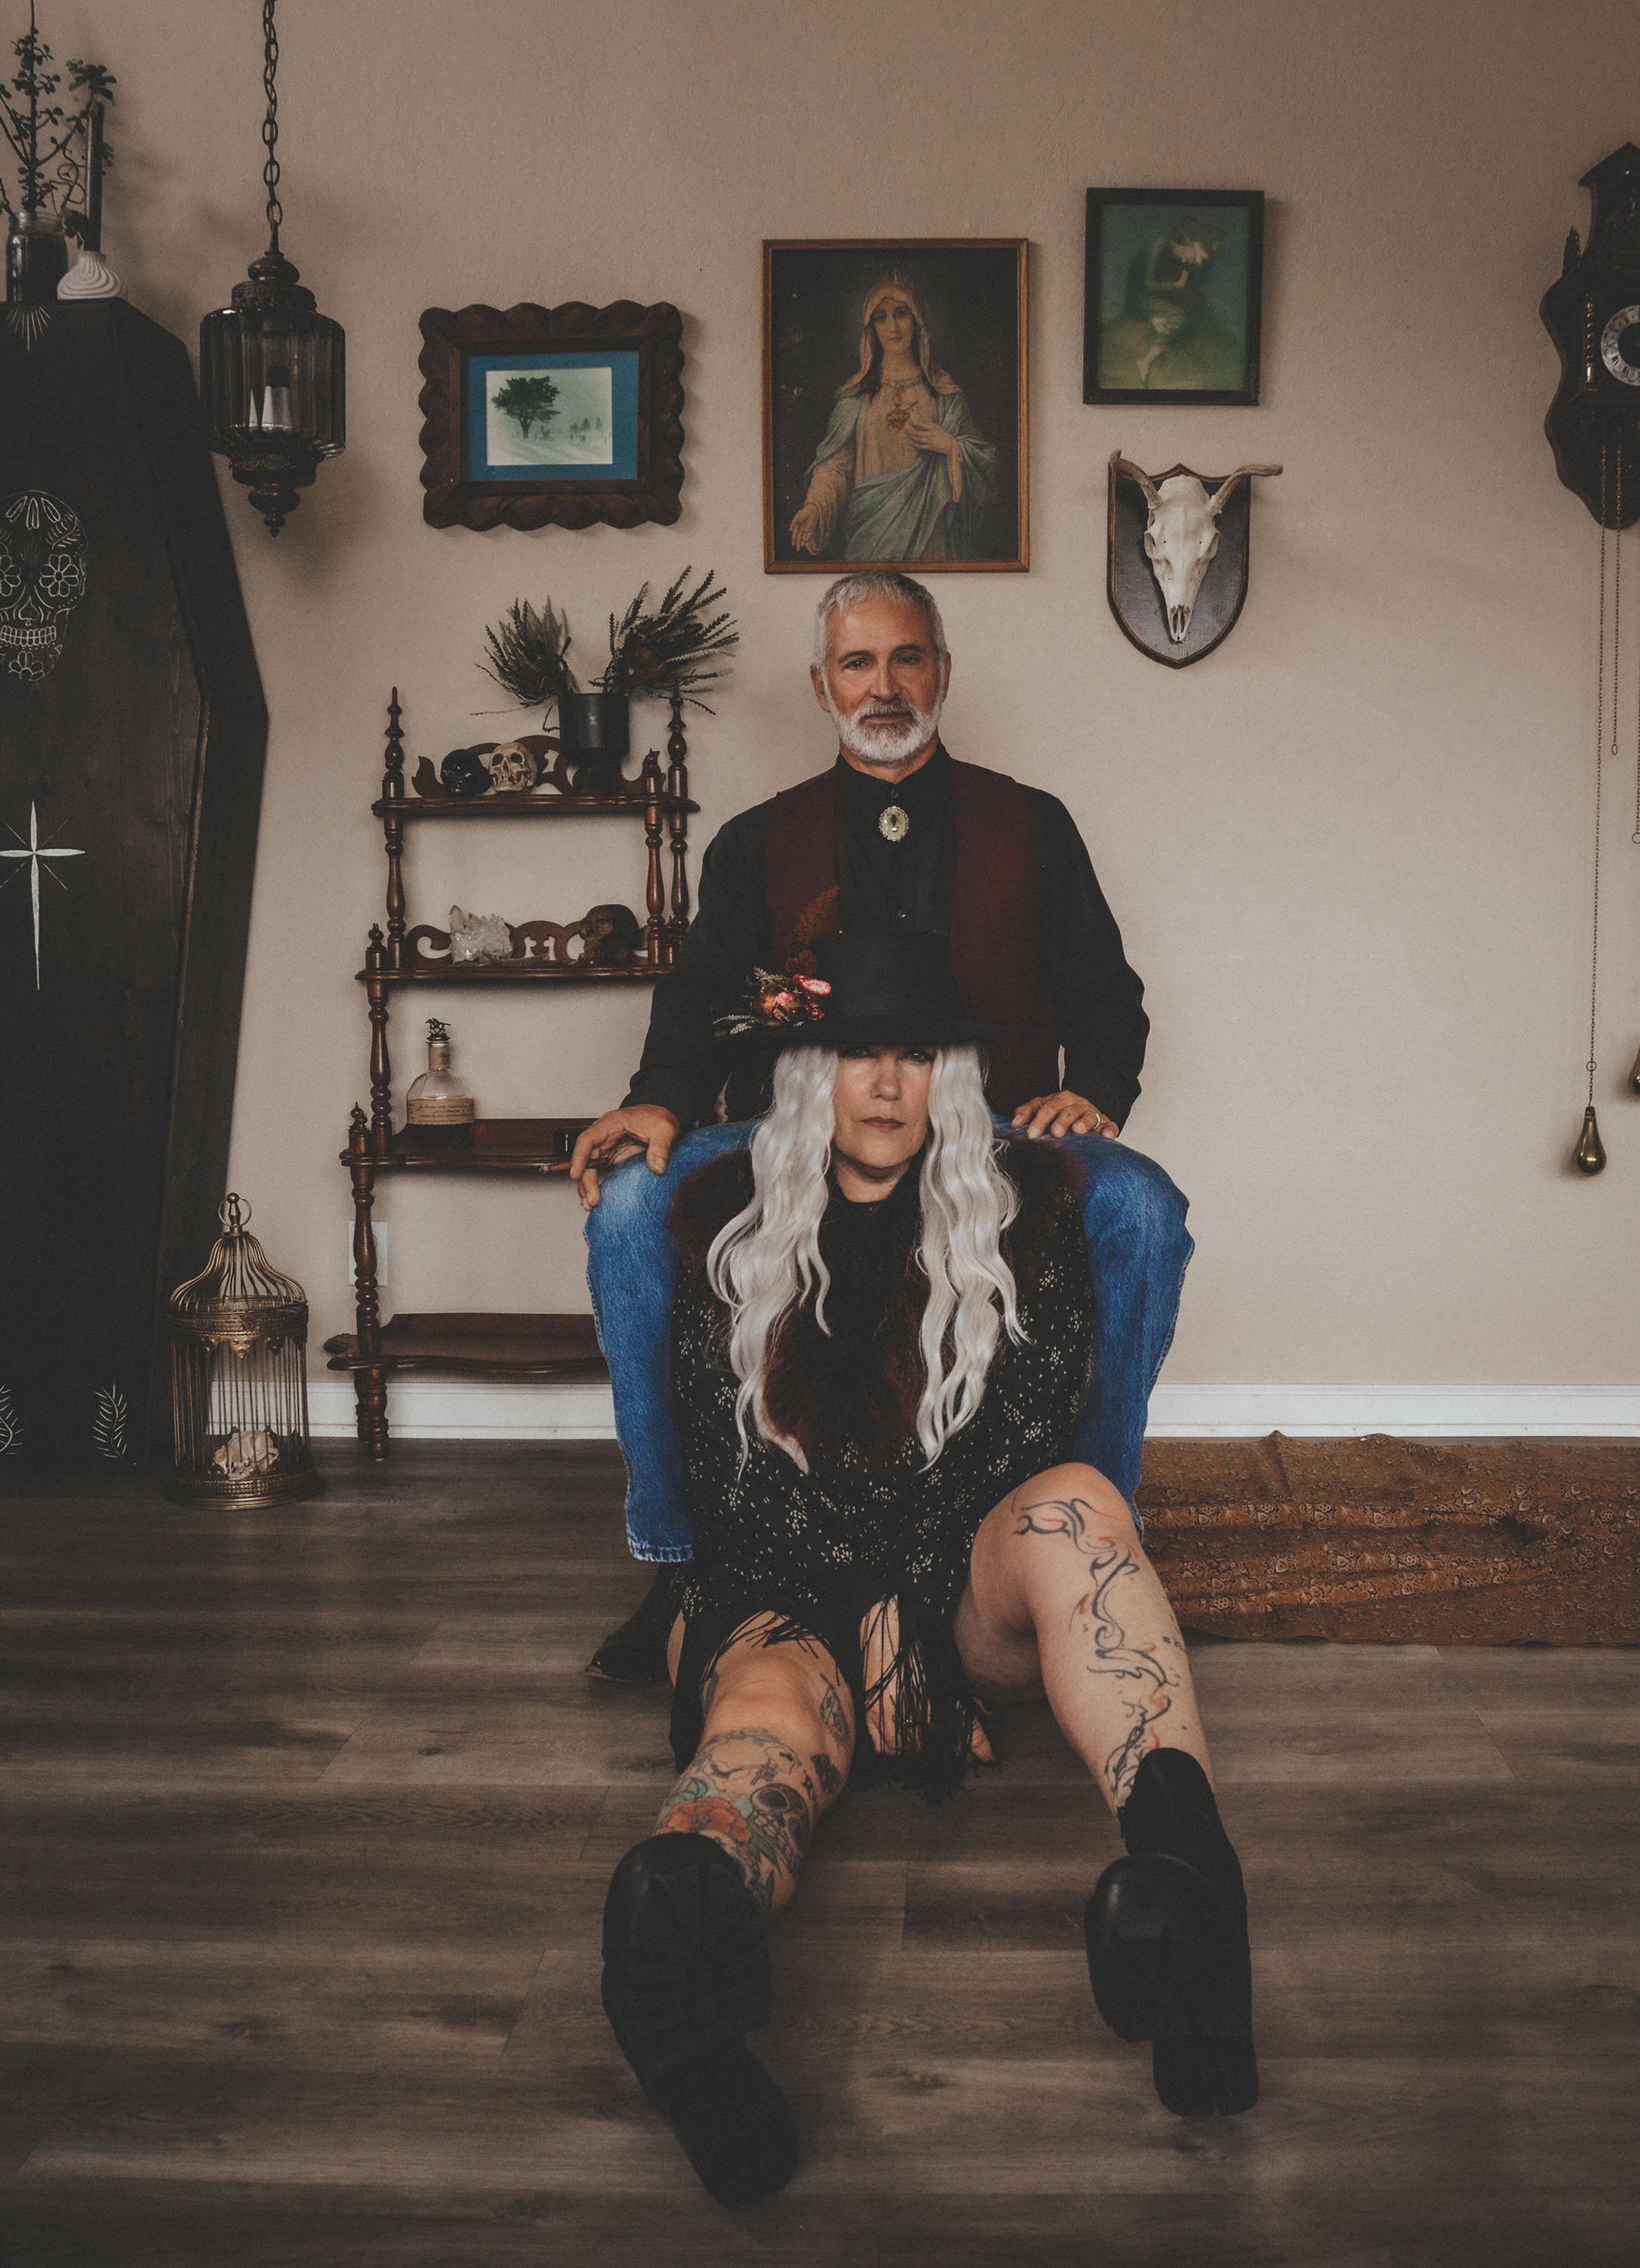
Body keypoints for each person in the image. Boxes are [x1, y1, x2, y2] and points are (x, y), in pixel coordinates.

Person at [598, 935, 1257, 2208]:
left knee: (1075, 1505)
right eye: (857, 1053)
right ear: (810, 1074)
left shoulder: (1029, 1209)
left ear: (953, 1073)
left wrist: (910, 1603)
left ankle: (1190, 1898)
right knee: (769, 1706)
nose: (887, 1082)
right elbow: (724, 1474)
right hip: (772, 1587)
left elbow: (1017, 1438)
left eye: (917, 1053)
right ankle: (684, 1941)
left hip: (953, 1588)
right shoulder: (719, 1225)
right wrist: (860, 1618)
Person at [573, 568, 1192, 1683]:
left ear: (942, 672)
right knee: (627, 1205)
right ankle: (679, 1552)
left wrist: (1092, 1090)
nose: (885, 682)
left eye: (908, 657)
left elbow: (1108, 995)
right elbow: (702, 1001)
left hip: (989, 1128)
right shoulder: (758, 843)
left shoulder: (1032, 823)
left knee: (1142, 1205)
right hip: (795, 1135)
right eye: (858, 662)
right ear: (822, 685)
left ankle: (1091, 1536)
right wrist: (660, 1099)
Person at [787, 275, 995, 562]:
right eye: (881, 318)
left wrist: (951, 447)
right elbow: (835, 468)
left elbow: (984, 464)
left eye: (901, 314)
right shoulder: (855, 398)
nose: (893, 328)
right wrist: (814, 508)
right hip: (871, 539)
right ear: (871, 328)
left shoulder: (943, 394)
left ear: (917, 320)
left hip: (930, 538)